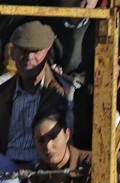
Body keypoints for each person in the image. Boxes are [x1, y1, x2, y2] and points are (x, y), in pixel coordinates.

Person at [0, 22, 74, 168]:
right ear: (13, 52)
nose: (29, 57)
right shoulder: (3, 91)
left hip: (47, 167)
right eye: (23, 50)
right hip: (6, 166)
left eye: (36, 51)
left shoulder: (66, 91)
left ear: (48, 52)